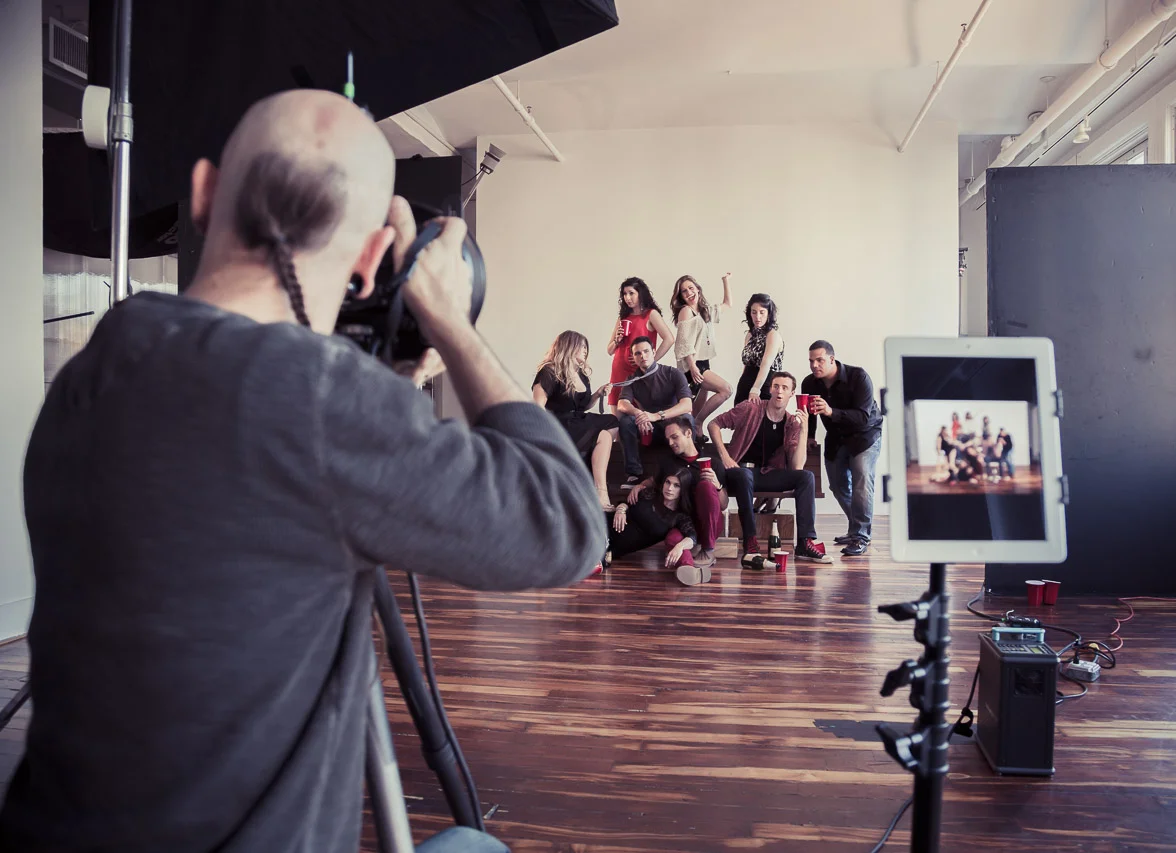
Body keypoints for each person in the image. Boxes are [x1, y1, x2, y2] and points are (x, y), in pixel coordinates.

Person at [0, 90, 607, 853]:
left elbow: (259, 478)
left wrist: (376, 386)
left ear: (203, 192)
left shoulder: (101, 363)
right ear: (365, 262)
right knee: (472, 845)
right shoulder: (319, 403)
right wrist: (447, 318)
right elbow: (567, 522)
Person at [708, 374, 833, 564]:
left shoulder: (791, 423)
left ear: (792, 393)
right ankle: (750, 543)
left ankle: (805, 543)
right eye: (776, 386)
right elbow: (714, 424)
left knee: (806, 477)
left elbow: (797, 467)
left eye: (784, 388)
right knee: (745, 475)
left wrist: (804, 428)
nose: (779, 391)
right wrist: (725, 456)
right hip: (739, 472)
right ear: (770, 389)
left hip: (766, 474)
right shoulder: (750, 408)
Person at [801, 340, 882, 557]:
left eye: (819, 360)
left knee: (862, 482)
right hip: (836, 437)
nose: (814, 365)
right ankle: (857, 527)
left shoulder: (859, 377)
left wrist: (831, 412)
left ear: (831, 359)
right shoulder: (809, 383)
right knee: (837, 486)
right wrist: (809, 436)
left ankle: (861, 535)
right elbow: (810, 412)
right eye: (811, 361)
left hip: (865, 436)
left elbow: (864, 418)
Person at [622, 417, 726, 571]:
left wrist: (717, 486)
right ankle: (689, 570)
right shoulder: (669, 462)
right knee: (672, 540)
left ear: (688, 433)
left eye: (674, 437)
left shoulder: (714, 463)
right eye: (668, 439)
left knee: (706, 485)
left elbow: (723, 505)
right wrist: (639, 486)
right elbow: (654, 480)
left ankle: (708, 550)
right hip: (683, 522)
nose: (670, 443)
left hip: (709, 523)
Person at [532, 330, 619, 508]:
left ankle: (589, 468)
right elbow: (538, 406)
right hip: (559, 424)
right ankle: (600, 493)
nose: (586, 350)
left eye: (587, 347)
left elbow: (584, 406)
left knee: (612, 422)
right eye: (581, 346)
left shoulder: (581, 375)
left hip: (578, 419)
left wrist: (597, 394)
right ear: (569, 345)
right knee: (602, 436)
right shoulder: (549, 371)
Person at [608, 468, 710, 587]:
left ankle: (692, 572)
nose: (669, 488)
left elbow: (692, 537)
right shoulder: (650, 494)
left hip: (613, 548)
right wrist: (621, 510)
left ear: (683, 490)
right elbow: (626, 502)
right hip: (604, 525)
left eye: (676, 485)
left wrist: (679, 547)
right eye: (668, 482)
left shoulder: (679, 516)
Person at [615, 337, 694, 485]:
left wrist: (656, 416)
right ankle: (634, 474)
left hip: (671, 426)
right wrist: (639, 414)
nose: (642, 356)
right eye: (637, 353)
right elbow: (622, 404)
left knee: (688, 420)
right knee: (626, 421)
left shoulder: (673, 373)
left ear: (653, 352)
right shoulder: (632, 379)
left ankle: (688, 468)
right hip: (649, 429)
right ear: (633, 357)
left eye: (646, 351)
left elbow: (687, 405)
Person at [671, 273, 733, 438]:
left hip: (703, 363)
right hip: (693, 365)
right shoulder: (686, 311)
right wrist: (692, 367)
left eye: (691, 288)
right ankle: (698, 424)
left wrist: (725, 281)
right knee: (726, 390)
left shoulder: (705, 311)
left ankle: (696, 432)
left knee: (693, 413)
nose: (689, 293)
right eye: (684, 291)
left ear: (698, 289)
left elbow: (727, 304)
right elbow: (684, 343)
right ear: (681, 297)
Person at [606, 277, 673, 411]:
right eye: (624, 294)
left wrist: (650, 360)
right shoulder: (623, 317)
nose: (627, 297)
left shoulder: (651, 314)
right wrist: (617, 341)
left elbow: (669, 339)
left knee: (641, 414)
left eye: (631, 293)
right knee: (617, 414)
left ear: (640, 293)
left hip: (640, 371)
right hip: (619, 368)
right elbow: (609, 350)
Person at [734, 293, 785, 404]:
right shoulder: (749, 335)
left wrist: (755, 389)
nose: (757, 317)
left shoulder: (773, 335)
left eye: (762, 312)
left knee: (761, 419)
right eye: (754, 312)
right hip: (745, 383)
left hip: (765, 384)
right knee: (739, 419)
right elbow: (746, 364)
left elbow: (766, 364)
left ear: (769, 314)